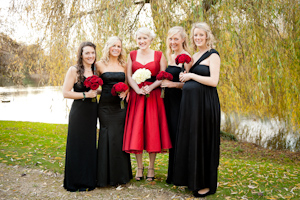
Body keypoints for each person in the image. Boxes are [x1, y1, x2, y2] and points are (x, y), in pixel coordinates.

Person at [173, 22, 221, 198]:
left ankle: (207, 184)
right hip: (191, 106)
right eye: (195, 35)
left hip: (205, 105)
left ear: (207, 36)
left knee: (204, 141)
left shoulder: (213, 55)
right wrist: (184, 75)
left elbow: (213, 81)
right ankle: (193, 179)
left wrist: (191, 75)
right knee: (193, 141)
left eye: (201, 35)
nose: (198, 38)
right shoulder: (194, 55)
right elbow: (190, 79)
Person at [123, 27, 172, 181]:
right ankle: (139, 167)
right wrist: (137, 89)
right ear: (136, 40)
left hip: (153, 96)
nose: (142, 41)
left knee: (152, 130)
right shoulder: (131, 55)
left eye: (145, 38)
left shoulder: (159, 55)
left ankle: (151, 167)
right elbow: (129, 76)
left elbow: (162, 76)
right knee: (137, 130)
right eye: (139, 38)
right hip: (137, 97)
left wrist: (151, 87)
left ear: (151, 39)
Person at [95, 36, 132, 187]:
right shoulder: (99, 65)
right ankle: (104, 177)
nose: (116, 48)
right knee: (106, 136)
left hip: (120, 107)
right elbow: (94, 84)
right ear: (108, 47)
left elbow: (129, 84)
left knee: (119, 138)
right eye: (114, 46)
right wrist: (98, 90)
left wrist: (126, 92)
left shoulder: (124, 64)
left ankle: (121, 176)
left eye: (119, 46)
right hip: (104, 106)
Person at [62, 41, 98, 192]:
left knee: (88, 145)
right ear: (81, 55)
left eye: (92, 53)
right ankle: (74, 181)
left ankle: (88, 181)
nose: (90, 56)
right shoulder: (74, 70)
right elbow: (66, 92)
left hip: (92, 112)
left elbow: (96, 92)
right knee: (76, 145)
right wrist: (85, 94)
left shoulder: (96, 71)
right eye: (87, 53)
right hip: (79, 112)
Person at [162, 26, 192, 184]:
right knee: (172, 136)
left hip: (180, 101)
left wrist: (172, 85)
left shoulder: (187, 57)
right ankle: (172, 174)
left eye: (176, 39)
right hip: (168, 100)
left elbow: (189, 83)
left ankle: (181, 175)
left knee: (179, 136)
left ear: (183, 39)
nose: (173, 42)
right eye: (170, 39)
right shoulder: (170, 55)